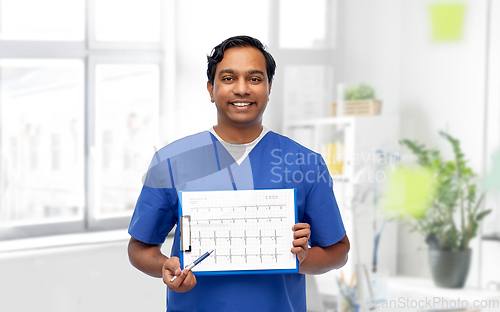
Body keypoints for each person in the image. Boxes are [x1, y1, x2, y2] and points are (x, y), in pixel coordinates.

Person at [128, 35, 350, 312]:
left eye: (255, 79)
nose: (242, 89)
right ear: (211, 89)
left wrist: (300, 258)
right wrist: (166, 266)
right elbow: (139, 248)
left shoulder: (305, 163)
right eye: (229, 78)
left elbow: (339, 251)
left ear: (269, 88)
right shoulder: (170, 161)